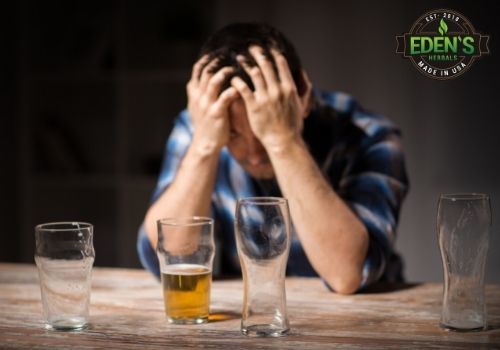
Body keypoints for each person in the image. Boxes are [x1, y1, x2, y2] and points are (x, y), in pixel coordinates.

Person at [137, 22, 409, 294]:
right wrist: (205, 145)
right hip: (254, 312)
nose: (254, 155)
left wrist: (284, 140)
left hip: (362, 317)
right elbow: (167, 258)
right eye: (233, 135)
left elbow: (347, 274)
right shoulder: (202, 124)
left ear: (304, 94)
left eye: (262, 131)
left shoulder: (371, 135)